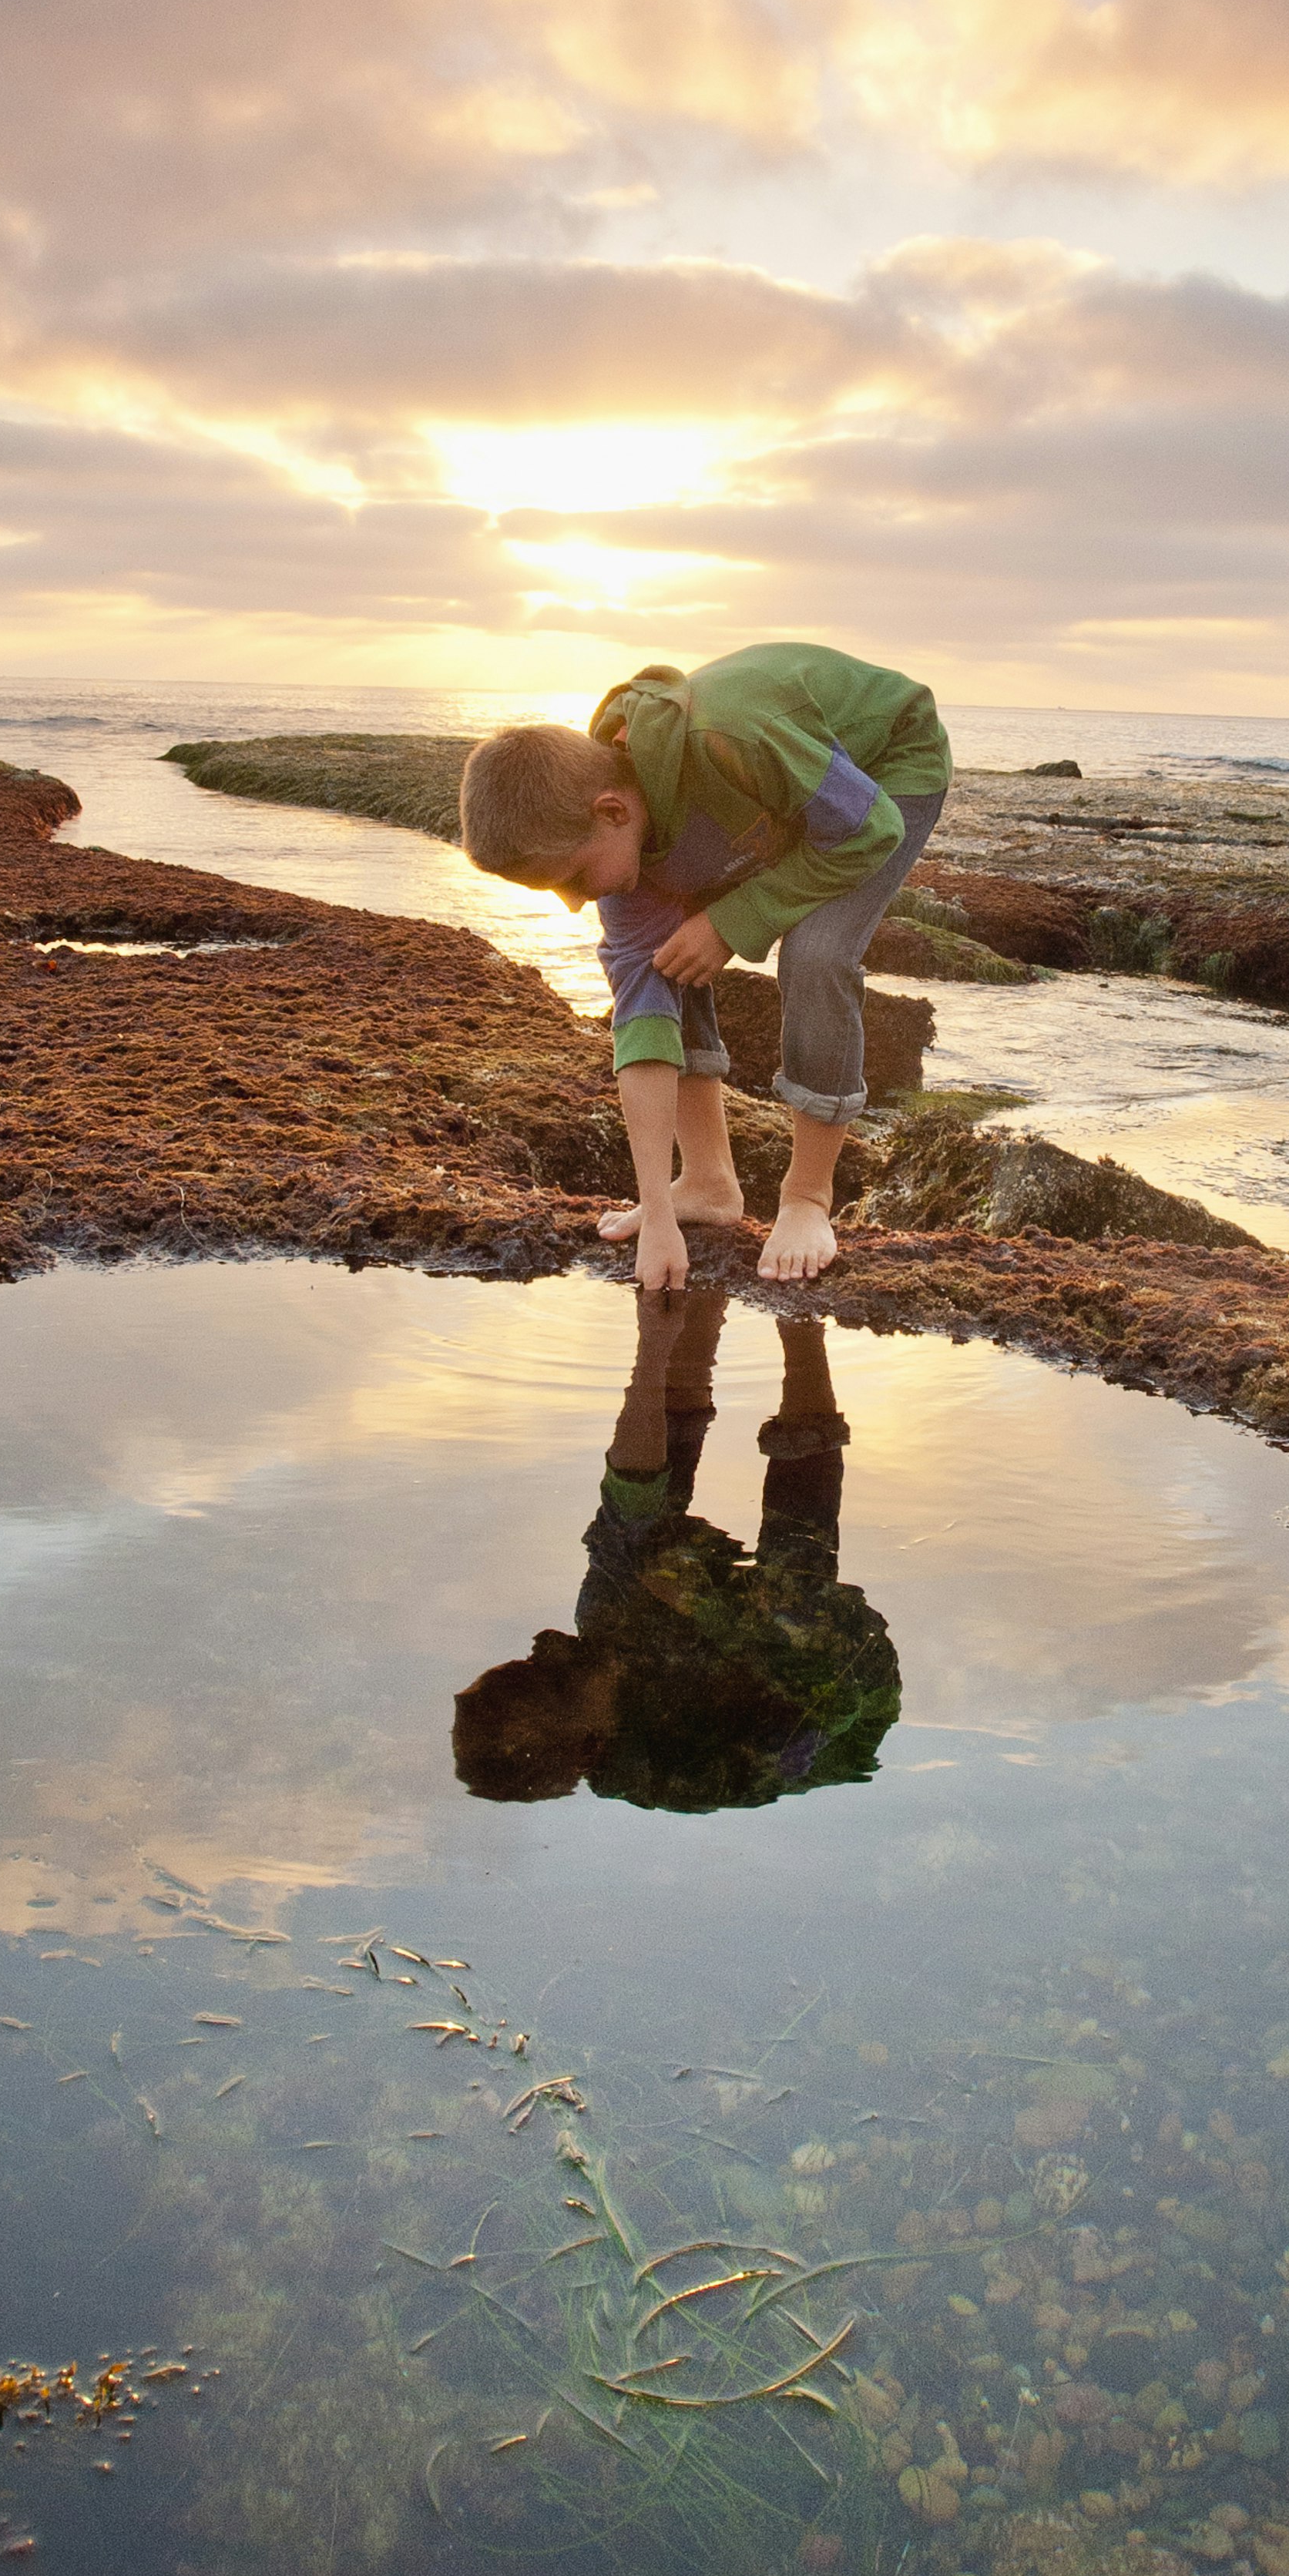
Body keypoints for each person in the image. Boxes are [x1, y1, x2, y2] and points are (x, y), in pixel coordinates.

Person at [455, 639, 949, 1286]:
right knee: (666, 961)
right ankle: (708, 1181)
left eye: (572, 877)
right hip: (782, 800)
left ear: (613, 811)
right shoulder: (625, 851)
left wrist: (730, 921)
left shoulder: (731, 737)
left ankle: (807, 1197)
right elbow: (642, 1023)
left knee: (816, 952)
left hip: (887, 769)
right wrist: (657, 1211)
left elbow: (868, 829)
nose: (574, 904)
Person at [451, 1290, 898, 1813]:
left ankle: (687, 1322)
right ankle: (802, 1329)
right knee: (793, 1601)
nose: (550, 1643)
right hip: (840, 1697)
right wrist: (712, 1610)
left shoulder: (600, 1627)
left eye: (526, 1662)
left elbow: (625, 1504)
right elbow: (831, 1695)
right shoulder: (685, 1766)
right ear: (594, 1743)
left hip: (715, 1641)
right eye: (554, 1677)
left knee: (632, 1538)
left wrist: (653, 1345)